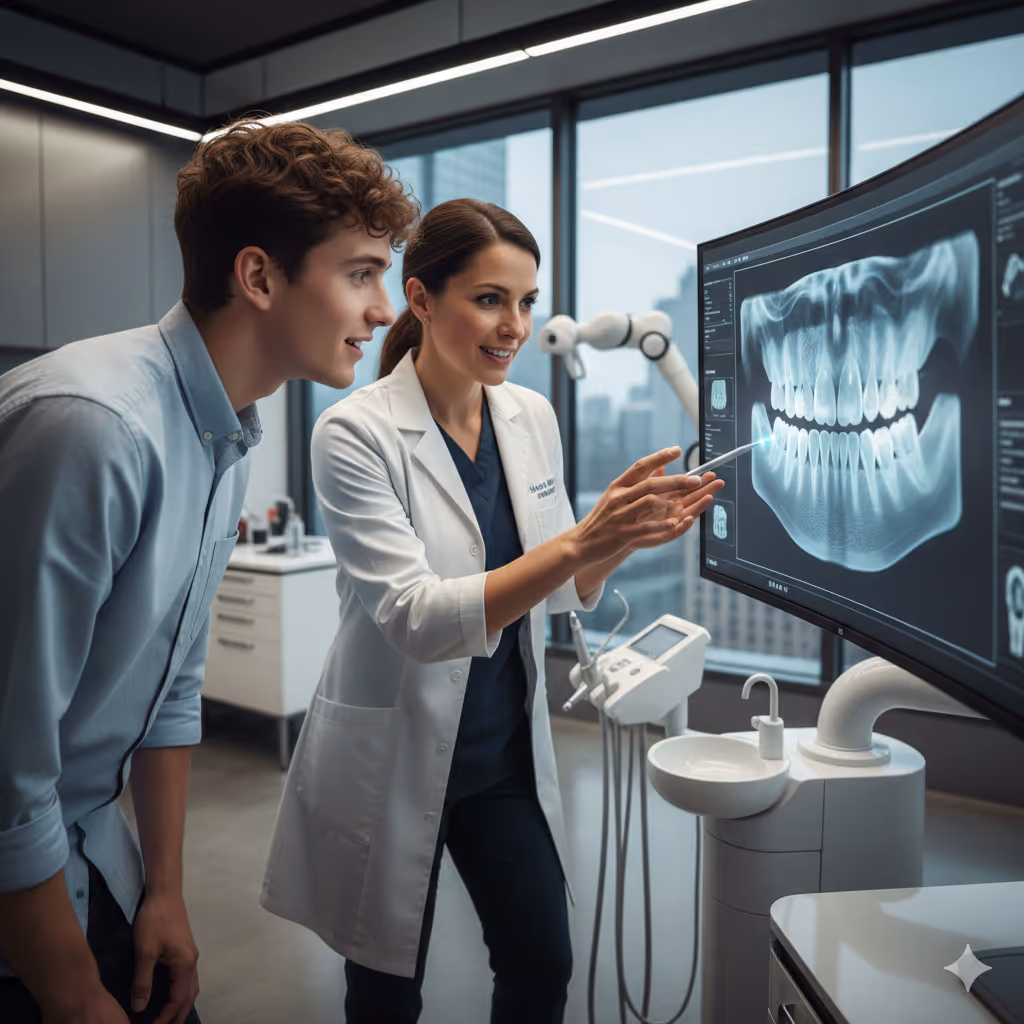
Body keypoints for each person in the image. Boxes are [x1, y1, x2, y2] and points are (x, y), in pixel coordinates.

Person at [260, 198, 723, 1023]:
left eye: (525, 302)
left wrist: (622, 536)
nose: (513, 325)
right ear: (422, 299)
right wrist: (582, 542)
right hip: (392, 753)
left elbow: (563, 585)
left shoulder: (529, 416)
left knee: (543, 962)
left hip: (501, 754)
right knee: (385, 992)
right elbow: (418, 618)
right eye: (488, 299)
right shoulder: (354, 435)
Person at [0, 120, 418, 1024]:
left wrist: (166, 891)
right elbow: (6, 762)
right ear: (260, 276)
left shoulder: (226, 432)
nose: (385, 311)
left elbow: (170, 691)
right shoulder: (95, 428)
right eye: (361, 273)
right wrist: (70, 992)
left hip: (93, 854)